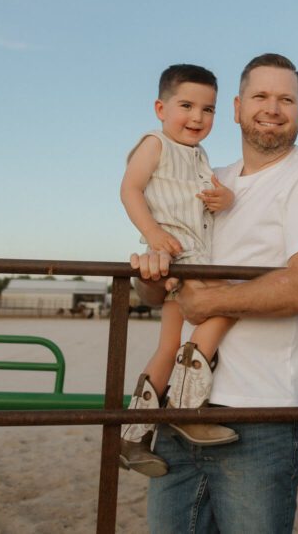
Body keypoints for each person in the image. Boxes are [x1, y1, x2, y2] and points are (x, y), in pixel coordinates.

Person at [131, 53, 298, 534]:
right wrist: (150, 271)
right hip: (178, 409)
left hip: (260, 411)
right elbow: (154, 298)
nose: (273, 108)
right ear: (235, 107)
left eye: (286, 99)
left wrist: (209, 302)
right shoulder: (208, 178)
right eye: (261, 96)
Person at [118, 64, 239, 477]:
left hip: (191, 254)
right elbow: (130, 188)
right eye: (186, 105)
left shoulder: (200, 156)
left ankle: (132, 437)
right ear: (160, 107)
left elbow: (203, 198)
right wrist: (152, 233)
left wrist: (224, 198)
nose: (197, 117)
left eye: (208, 110)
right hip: (178, 254)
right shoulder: (155, 144)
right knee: (228, 304)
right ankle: (185, 410)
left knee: (169, 345)